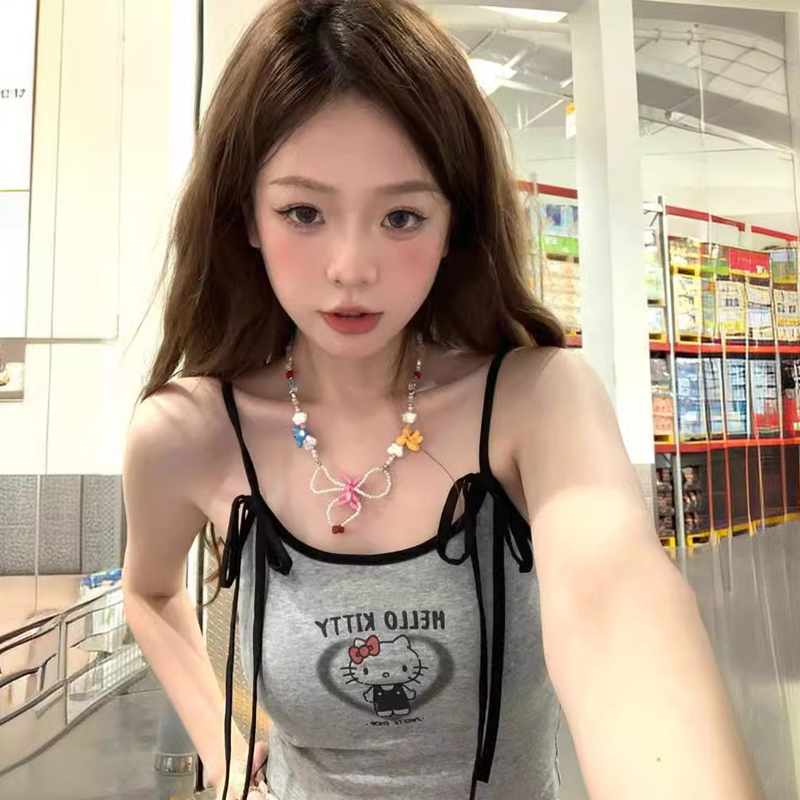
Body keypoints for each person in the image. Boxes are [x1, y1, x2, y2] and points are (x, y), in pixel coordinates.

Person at [121, 1, 762, 799]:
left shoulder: (537, 404)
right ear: (245, 216)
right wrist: (225, 748)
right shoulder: (188, 433)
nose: (351, 268)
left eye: (401, 216)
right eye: (303, 212)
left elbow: (617, 608)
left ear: (454, 223)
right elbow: (149, 591)